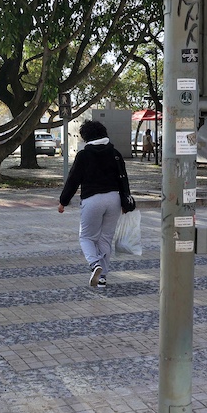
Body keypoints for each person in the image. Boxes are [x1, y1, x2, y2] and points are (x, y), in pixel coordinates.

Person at [58, 120, 135, 288]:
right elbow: (123, 178)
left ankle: (94, 264)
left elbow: (73, 180)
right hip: (113, 199)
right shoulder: (115, 153)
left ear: (86, 136)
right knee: (105, 239)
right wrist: (125, 201)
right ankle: (102, 278)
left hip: (92, 199)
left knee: (86, 237)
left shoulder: (84, 155)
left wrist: (63, 201)